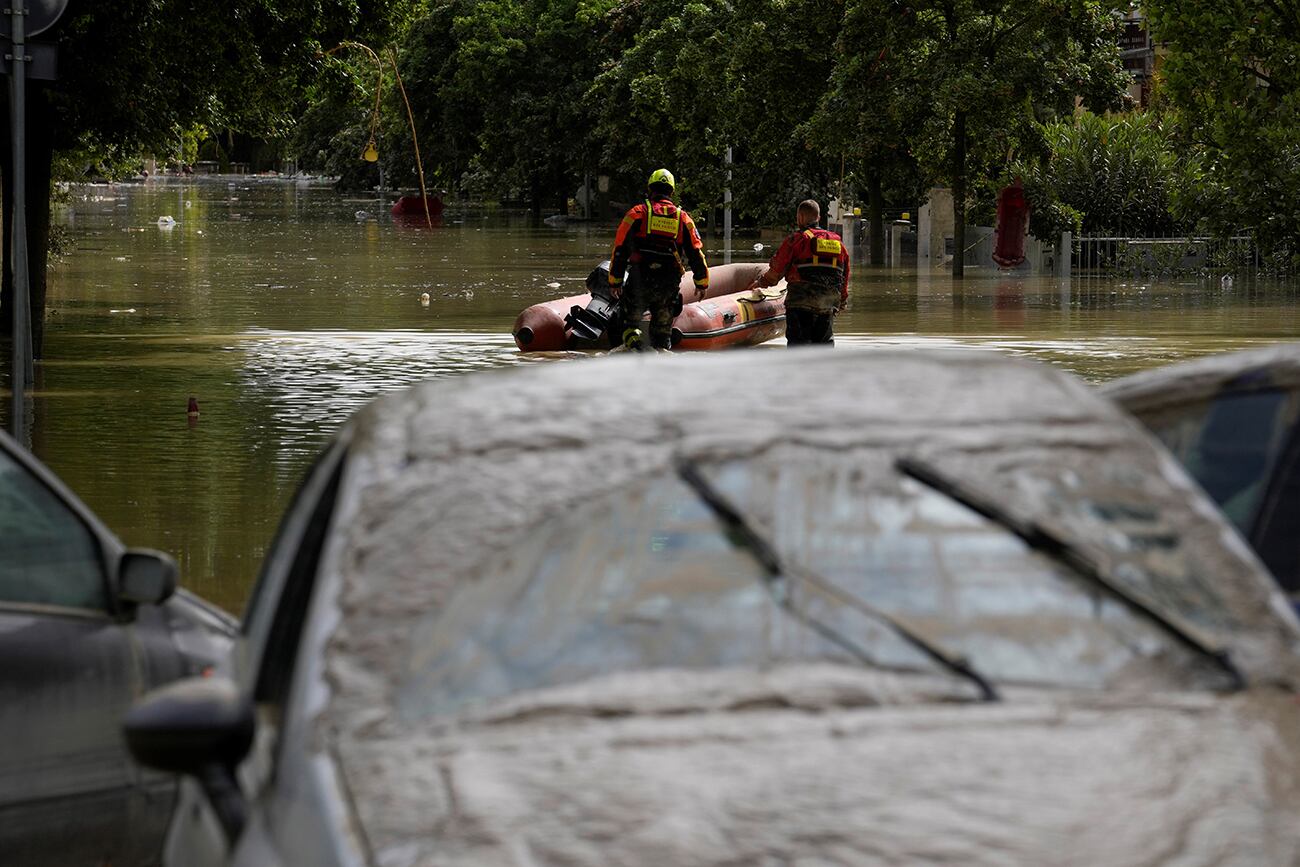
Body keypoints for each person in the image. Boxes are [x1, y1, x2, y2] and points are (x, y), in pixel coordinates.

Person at [608, 168, 710, 350]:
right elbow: (696, 253)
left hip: (640, 279)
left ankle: (633, 344)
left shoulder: (636, 214)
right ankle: (660, 357)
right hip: (668, 283)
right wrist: (701, 282)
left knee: (627, 323)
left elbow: (620, 250)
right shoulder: (683, 219)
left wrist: (615, 280)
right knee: (662, 332)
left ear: (649, 189)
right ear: (671, 192)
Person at [752, 199, 849, 346]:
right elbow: (844, 275)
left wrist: (760, 283)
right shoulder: (839, 244)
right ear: (819, 218)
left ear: (800, 217)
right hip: (827, 304)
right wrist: (842, 300)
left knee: (798, 349)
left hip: (801, 302)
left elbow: (776, 270)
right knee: (824, 348)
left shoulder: (797, 240)